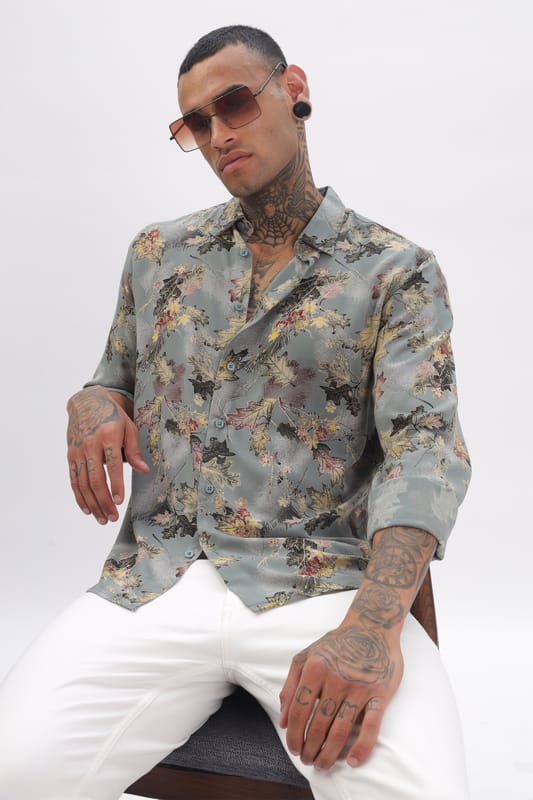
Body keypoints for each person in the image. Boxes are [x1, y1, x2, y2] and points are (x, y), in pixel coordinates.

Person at [0, 24, 472, 800]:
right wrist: (90, 404)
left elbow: (423, 452)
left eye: (234, 103)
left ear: (294, 90)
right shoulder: (158, 254)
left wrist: (370, 626)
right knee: (14, 770)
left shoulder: (395, 272)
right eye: (195, 122)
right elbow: (112, 379)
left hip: (320, 582)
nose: (218, 133)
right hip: (158, 577)